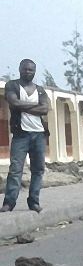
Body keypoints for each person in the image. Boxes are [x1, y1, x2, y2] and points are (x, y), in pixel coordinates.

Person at [3, 60, 49, 213]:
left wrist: (22, 106)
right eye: (25, 69)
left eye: (31, 70)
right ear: (20, 69)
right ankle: (9, 203)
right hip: (21, 135)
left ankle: (34, 202)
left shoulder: (40, 90)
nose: (28, 72)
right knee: (16, 169)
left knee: (38, 169)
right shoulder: (12, 85)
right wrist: (34, 107)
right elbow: (13, 102)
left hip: (39, 135)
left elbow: (45, 109)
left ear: (34, 72)